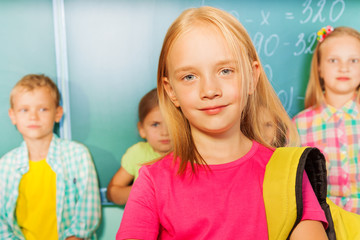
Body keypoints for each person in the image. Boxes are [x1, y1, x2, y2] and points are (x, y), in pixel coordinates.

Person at [116, 6, 328, 239]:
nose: (209, 90)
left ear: (252, 77)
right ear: (171, 91)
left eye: (226, 71)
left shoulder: (288, 174)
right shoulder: (153, 182)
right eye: (189, 77)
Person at [0, 74, 101, 240]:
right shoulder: (5, 166)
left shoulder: (77, 156)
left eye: (43, 109)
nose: (33, 117)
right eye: (24, 110)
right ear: (13, 116)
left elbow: (87, 212)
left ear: (58, 113)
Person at [293, 26, 360, 214]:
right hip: (324, 226)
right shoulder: (300, 125)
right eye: (333, 60)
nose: (344, 67)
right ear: (319, 68)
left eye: (354, 60)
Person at [107, 88, 171, 205]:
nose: (164, 132)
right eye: (155, 124)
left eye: (172, 123)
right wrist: (145, 191)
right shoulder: (137, 153)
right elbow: (112, 192)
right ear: (142, 129)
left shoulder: (194, 155)